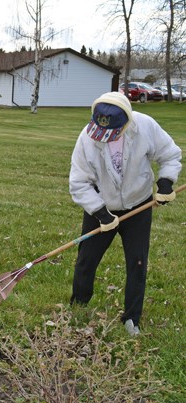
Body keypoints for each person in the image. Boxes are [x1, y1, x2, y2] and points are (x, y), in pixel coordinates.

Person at [69, 91, 181, 336]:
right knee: (86, 260)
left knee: (137, 263)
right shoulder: (87, 137)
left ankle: (132, 319)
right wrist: (100, 212)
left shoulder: (146, 127)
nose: (107, 138)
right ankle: (78, 304)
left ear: (127, 122)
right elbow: (79, 182)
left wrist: (165, 183)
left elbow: (170, 155)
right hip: (101, 208)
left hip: (138, 206)